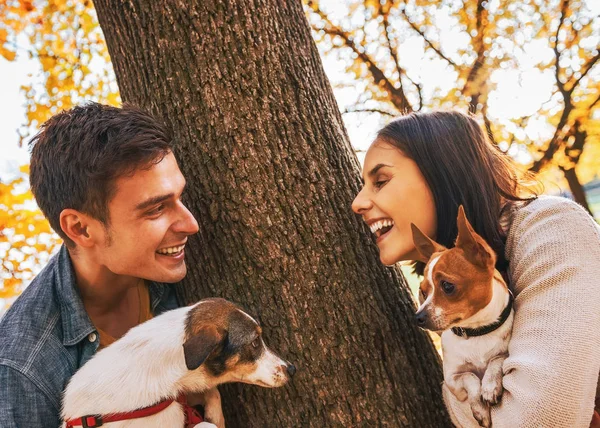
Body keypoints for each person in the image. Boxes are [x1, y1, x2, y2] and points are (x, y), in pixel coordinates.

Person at [352, 110, 600, 428]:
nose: (357, 202)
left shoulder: (552, 227)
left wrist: (458, 392)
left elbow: (536, 419)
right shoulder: (454, 286)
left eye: (381, 181)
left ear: (441, 173)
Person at [0, 103, 205, 426]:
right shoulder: (24, 367)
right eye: (155, 210)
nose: (191, 224)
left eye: (180, 197)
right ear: (81, 229)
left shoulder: (180, 268)